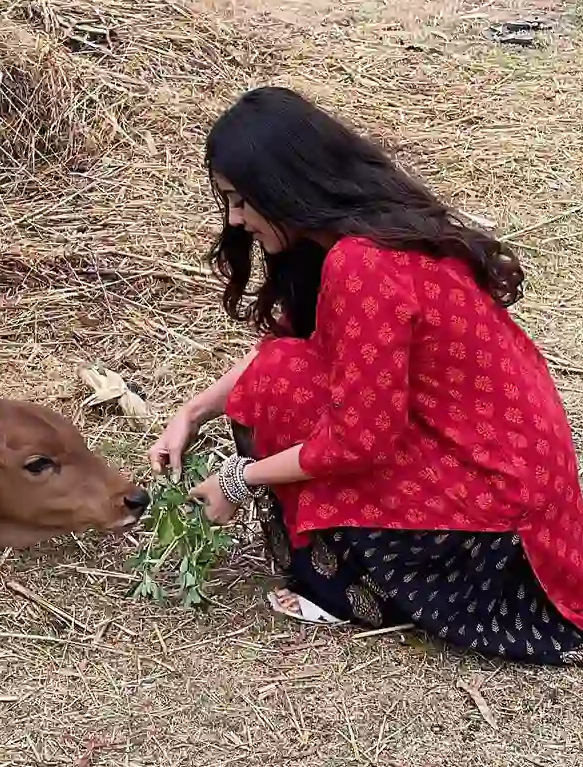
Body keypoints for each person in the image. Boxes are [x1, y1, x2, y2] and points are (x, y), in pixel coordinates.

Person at [149, 86, 583, 663]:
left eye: (240, 201)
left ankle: (342, 586)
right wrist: (192, 412)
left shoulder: (363, 265)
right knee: (286, 369)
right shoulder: (373, 232)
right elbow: (296, 342)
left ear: (283, 186)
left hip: (497, 515)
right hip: (523, 478)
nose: (235, 219)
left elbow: (358, 438)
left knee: (281, 385)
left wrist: (240, 478)